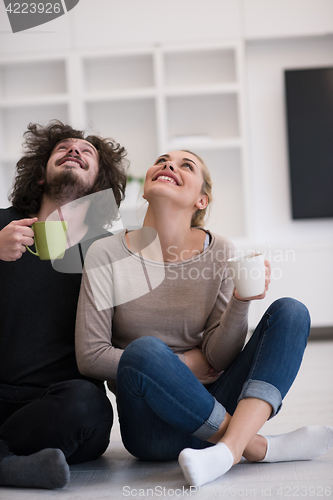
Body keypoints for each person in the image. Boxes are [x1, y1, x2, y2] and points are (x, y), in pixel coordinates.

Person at [75, 150, 333, 488]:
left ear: (201, 200)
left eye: (186, 165)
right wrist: (180, 364)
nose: (169, 165)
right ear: (146, 184)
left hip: (216, 398)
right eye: (162, 160)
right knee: (146, 351)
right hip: (151, 431)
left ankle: (225, 450)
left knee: (292, 312)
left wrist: (241, 300)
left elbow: (217, 358)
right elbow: (90, 355)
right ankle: (254, 446)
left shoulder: (221, 250)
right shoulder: (105, 254)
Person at [0, 120, 128, 490]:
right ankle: (11, 462)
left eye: (86, 152)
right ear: (40, 177)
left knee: (90, 409)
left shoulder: (108, 250)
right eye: (64, 149)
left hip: (58, 402)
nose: (75, 150)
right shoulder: (2, 225)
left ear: (98, 187)